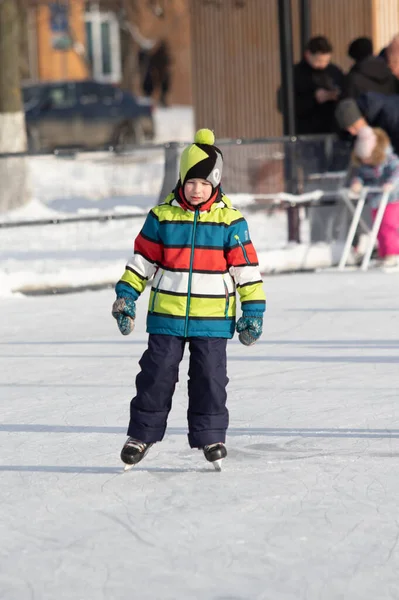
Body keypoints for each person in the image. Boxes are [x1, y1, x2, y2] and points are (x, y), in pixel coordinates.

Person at [112, 128, 266, 469]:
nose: (197, 190)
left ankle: (211, 434)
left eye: (204, 183)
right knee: (155, 374)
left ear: (216, 184)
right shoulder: (162, 217)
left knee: (210, 377)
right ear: (181, 180)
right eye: (191, 182)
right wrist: (126, 296)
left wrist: (253, 311)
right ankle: (141, 434)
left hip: (212, 320)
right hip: (167, 314)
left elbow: (247, 272)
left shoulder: (231, 222)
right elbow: (142, 262)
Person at [349, 126, 399, 267]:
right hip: (376, 200)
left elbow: (397, 171)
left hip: (392, 199)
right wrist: (357, 184)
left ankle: (393, 253)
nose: (366, 161)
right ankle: (383, 253)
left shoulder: (389, 159)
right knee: (378, 228)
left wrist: (390, 183)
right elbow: (360, 177)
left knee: (389, 226)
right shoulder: (364, 166)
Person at [293, 36, 344, 134]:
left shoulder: (334, 71)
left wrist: (336, 95)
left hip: (332, 127)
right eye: (319, 61)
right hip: (307, 129)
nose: (323, 65)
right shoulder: (297, 73)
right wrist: (314, 98)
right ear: (308, 55)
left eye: (326, 61)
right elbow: (289, 104)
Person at [335, 94, 399, 155]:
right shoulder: (364, 119)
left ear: (363, 117)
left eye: (354, 127)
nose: (353, 132)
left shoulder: (390, 115)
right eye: (348, 130)